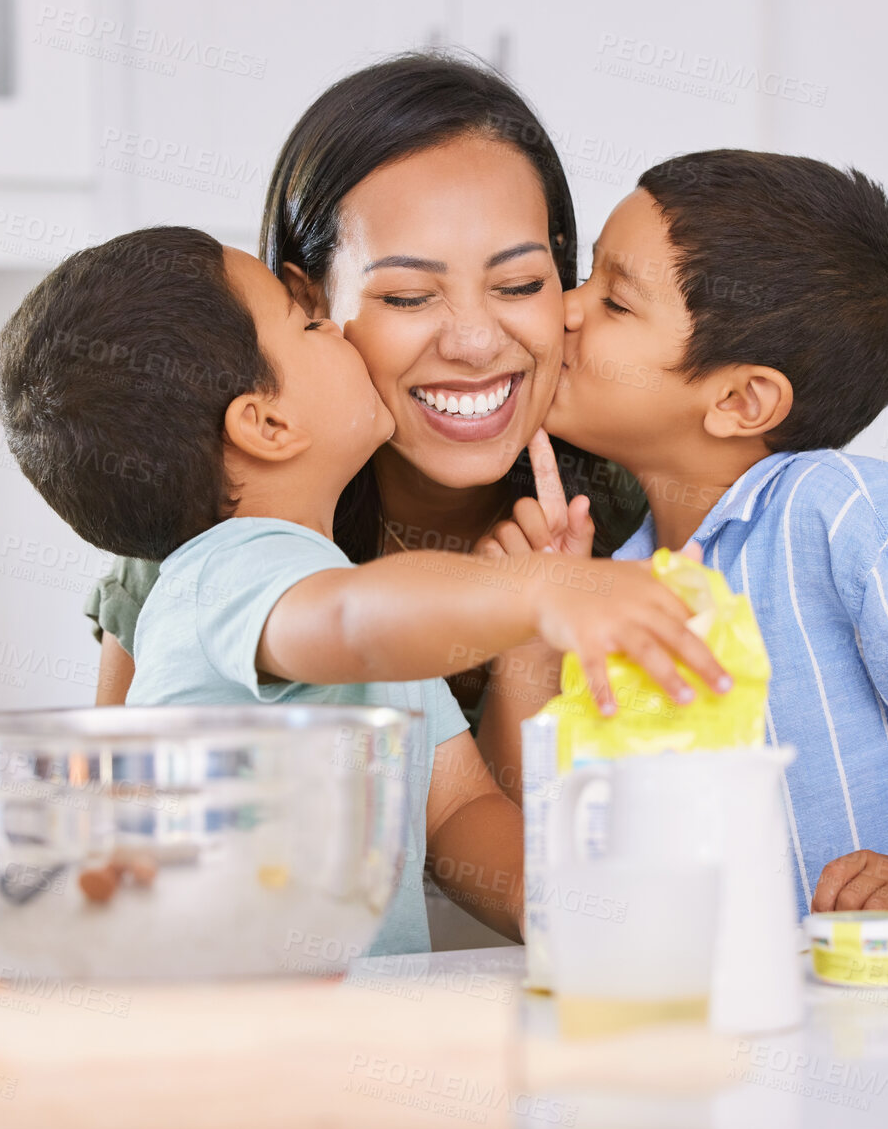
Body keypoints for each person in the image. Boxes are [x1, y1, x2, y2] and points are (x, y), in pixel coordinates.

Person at [0, 226, 728, 953]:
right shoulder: (226, 571)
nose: (342, 332)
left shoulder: (358, 602)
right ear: (267, 423)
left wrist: (569, 907)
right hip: (230, 1031)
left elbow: (460, 810)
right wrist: (530, 589)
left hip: (348, 1031)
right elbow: (349, 622)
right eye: (310, 324)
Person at [524, 150, 888, 917]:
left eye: (615, 302)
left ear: (742, 400)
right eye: (585, 278)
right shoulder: (620, 571)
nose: (564, 309)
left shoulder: (844, 514)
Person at [82, 55, 648, 803]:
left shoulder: (629, 511)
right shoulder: (204, 524)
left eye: (519, 285)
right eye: (411, 297)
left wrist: (529, 646)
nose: (476, 343)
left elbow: (545, 865)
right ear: (304, 298)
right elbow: (110, 830)